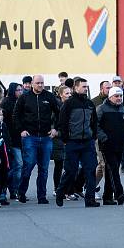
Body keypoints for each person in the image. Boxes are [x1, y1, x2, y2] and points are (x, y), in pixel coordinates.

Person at [14, 74, 60, 204]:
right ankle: (21, 192)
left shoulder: (49, 96)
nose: (40, 85)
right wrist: (21, 130)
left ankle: (42, 196)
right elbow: (16, 115)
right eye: (38, 83)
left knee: (44, 169)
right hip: (30, 137)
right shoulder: (24, 97)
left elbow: (59, 114)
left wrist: (55, 129)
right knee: (28, 166)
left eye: (42, 83)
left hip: (46, 137)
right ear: (32, 84)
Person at [55, 77, 99, 207]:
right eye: (83, 86)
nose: (86, 88)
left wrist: (93, 135)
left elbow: (94, 122)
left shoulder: (89, 104)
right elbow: (62, 122)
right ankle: (60, 192)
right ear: (76, 87)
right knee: (70, 171)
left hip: (87, 142)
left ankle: (90, 200)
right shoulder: (69, 104)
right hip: (72, 142)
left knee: (90, 170)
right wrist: (65, 139)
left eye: (86, 86)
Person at [97, 86, 124, 205]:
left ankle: (107, 197)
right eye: (116, 96)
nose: (119, 98)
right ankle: (119, 193)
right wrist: (103, 137)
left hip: (120, 144)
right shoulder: (101, 109)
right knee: (113, 169)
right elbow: (95, 125)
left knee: (112, 169)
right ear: (110, 97)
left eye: (120, 96)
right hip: (106, 145)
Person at [1, 82, 24, 200]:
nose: (20, 92)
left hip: (21, 139)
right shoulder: (6, 103)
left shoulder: (22, 101)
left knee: (18, 166)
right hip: (10, 140)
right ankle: (5, 190)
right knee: (13, 166)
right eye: (18, 90)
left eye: (21, 90)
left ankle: (14, 190)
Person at [52, 85, 71, 198]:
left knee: (70, 165)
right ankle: (57, 188)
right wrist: (58, 133)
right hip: (58, 139)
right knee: (59, 164)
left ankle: (69, 190)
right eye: (66, 93)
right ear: (61, 95)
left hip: (70, 138)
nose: (69, 95)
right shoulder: (57, 107)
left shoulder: (71, 106)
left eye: (70, 93)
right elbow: (54, 123)